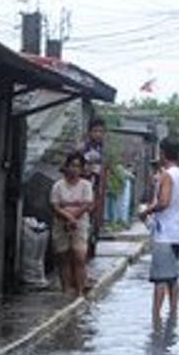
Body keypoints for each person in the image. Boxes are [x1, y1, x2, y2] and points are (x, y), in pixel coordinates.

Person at [138, 138, 179, 325]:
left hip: (164, 234)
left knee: (160, 279)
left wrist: (146, 211)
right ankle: (173, 315)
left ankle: (156, 318)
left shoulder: (167, 176)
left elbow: (164, 202)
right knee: (173, 278)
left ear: (162, 153)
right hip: (177, 234)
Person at [49, 152, 95, 297]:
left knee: (79, 255)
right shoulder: (58, 186)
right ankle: (66, 289)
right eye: (72, 165)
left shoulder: (85, 185)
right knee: (63, 257)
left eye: (78, 166)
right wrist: (68, 217)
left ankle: (80, 290)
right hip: (61, 223)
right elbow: (55, 206)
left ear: (82, 169)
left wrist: (73, 218)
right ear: (66, 167)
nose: (74, 169)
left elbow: (87, 204)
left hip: (80, 224)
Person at [81, 117, 109, 245]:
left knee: (93, 224)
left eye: (101, 132)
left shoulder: (101, 150)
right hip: (83, 191)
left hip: (96, 191)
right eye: (95, 131)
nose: (98, 134)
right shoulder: (83, 149)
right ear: (89, 132)